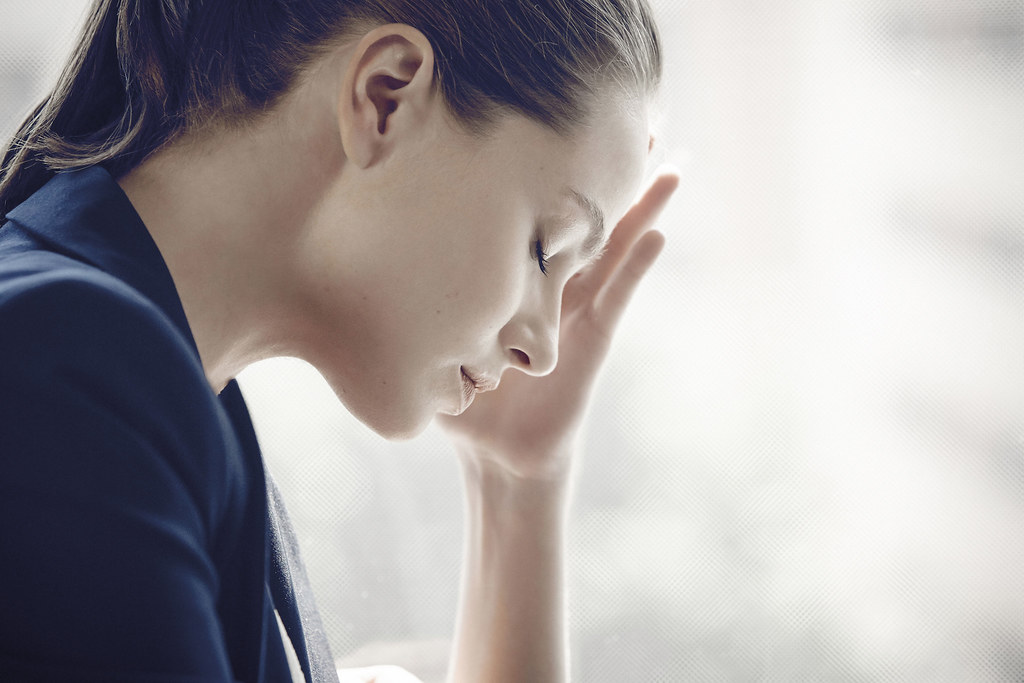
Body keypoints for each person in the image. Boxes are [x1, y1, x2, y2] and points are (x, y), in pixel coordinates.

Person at [0, 0, 677, 681]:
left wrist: (520, 481)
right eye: (544, 249)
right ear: (385, 98)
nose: (545, 346)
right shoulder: (70, 375)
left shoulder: (146, 387)